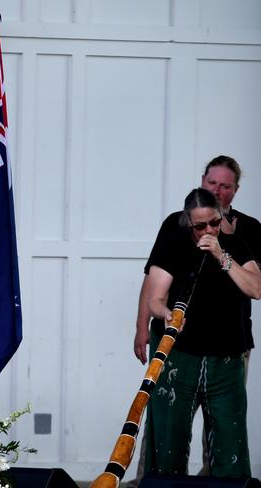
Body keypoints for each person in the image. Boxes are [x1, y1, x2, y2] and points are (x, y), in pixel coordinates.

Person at [127, 156, 261, 485]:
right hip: (179, 351)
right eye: (200, 225)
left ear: (233, 193)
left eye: (213, 223)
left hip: (228, 350)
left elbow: (255, 287)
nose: (207, 230)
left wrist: (220, 253)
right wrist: (145, 323)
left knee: (227, 436)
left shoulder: (244, 235)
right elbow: (154, 288)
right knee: (167, 435)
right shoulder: (174, 231)